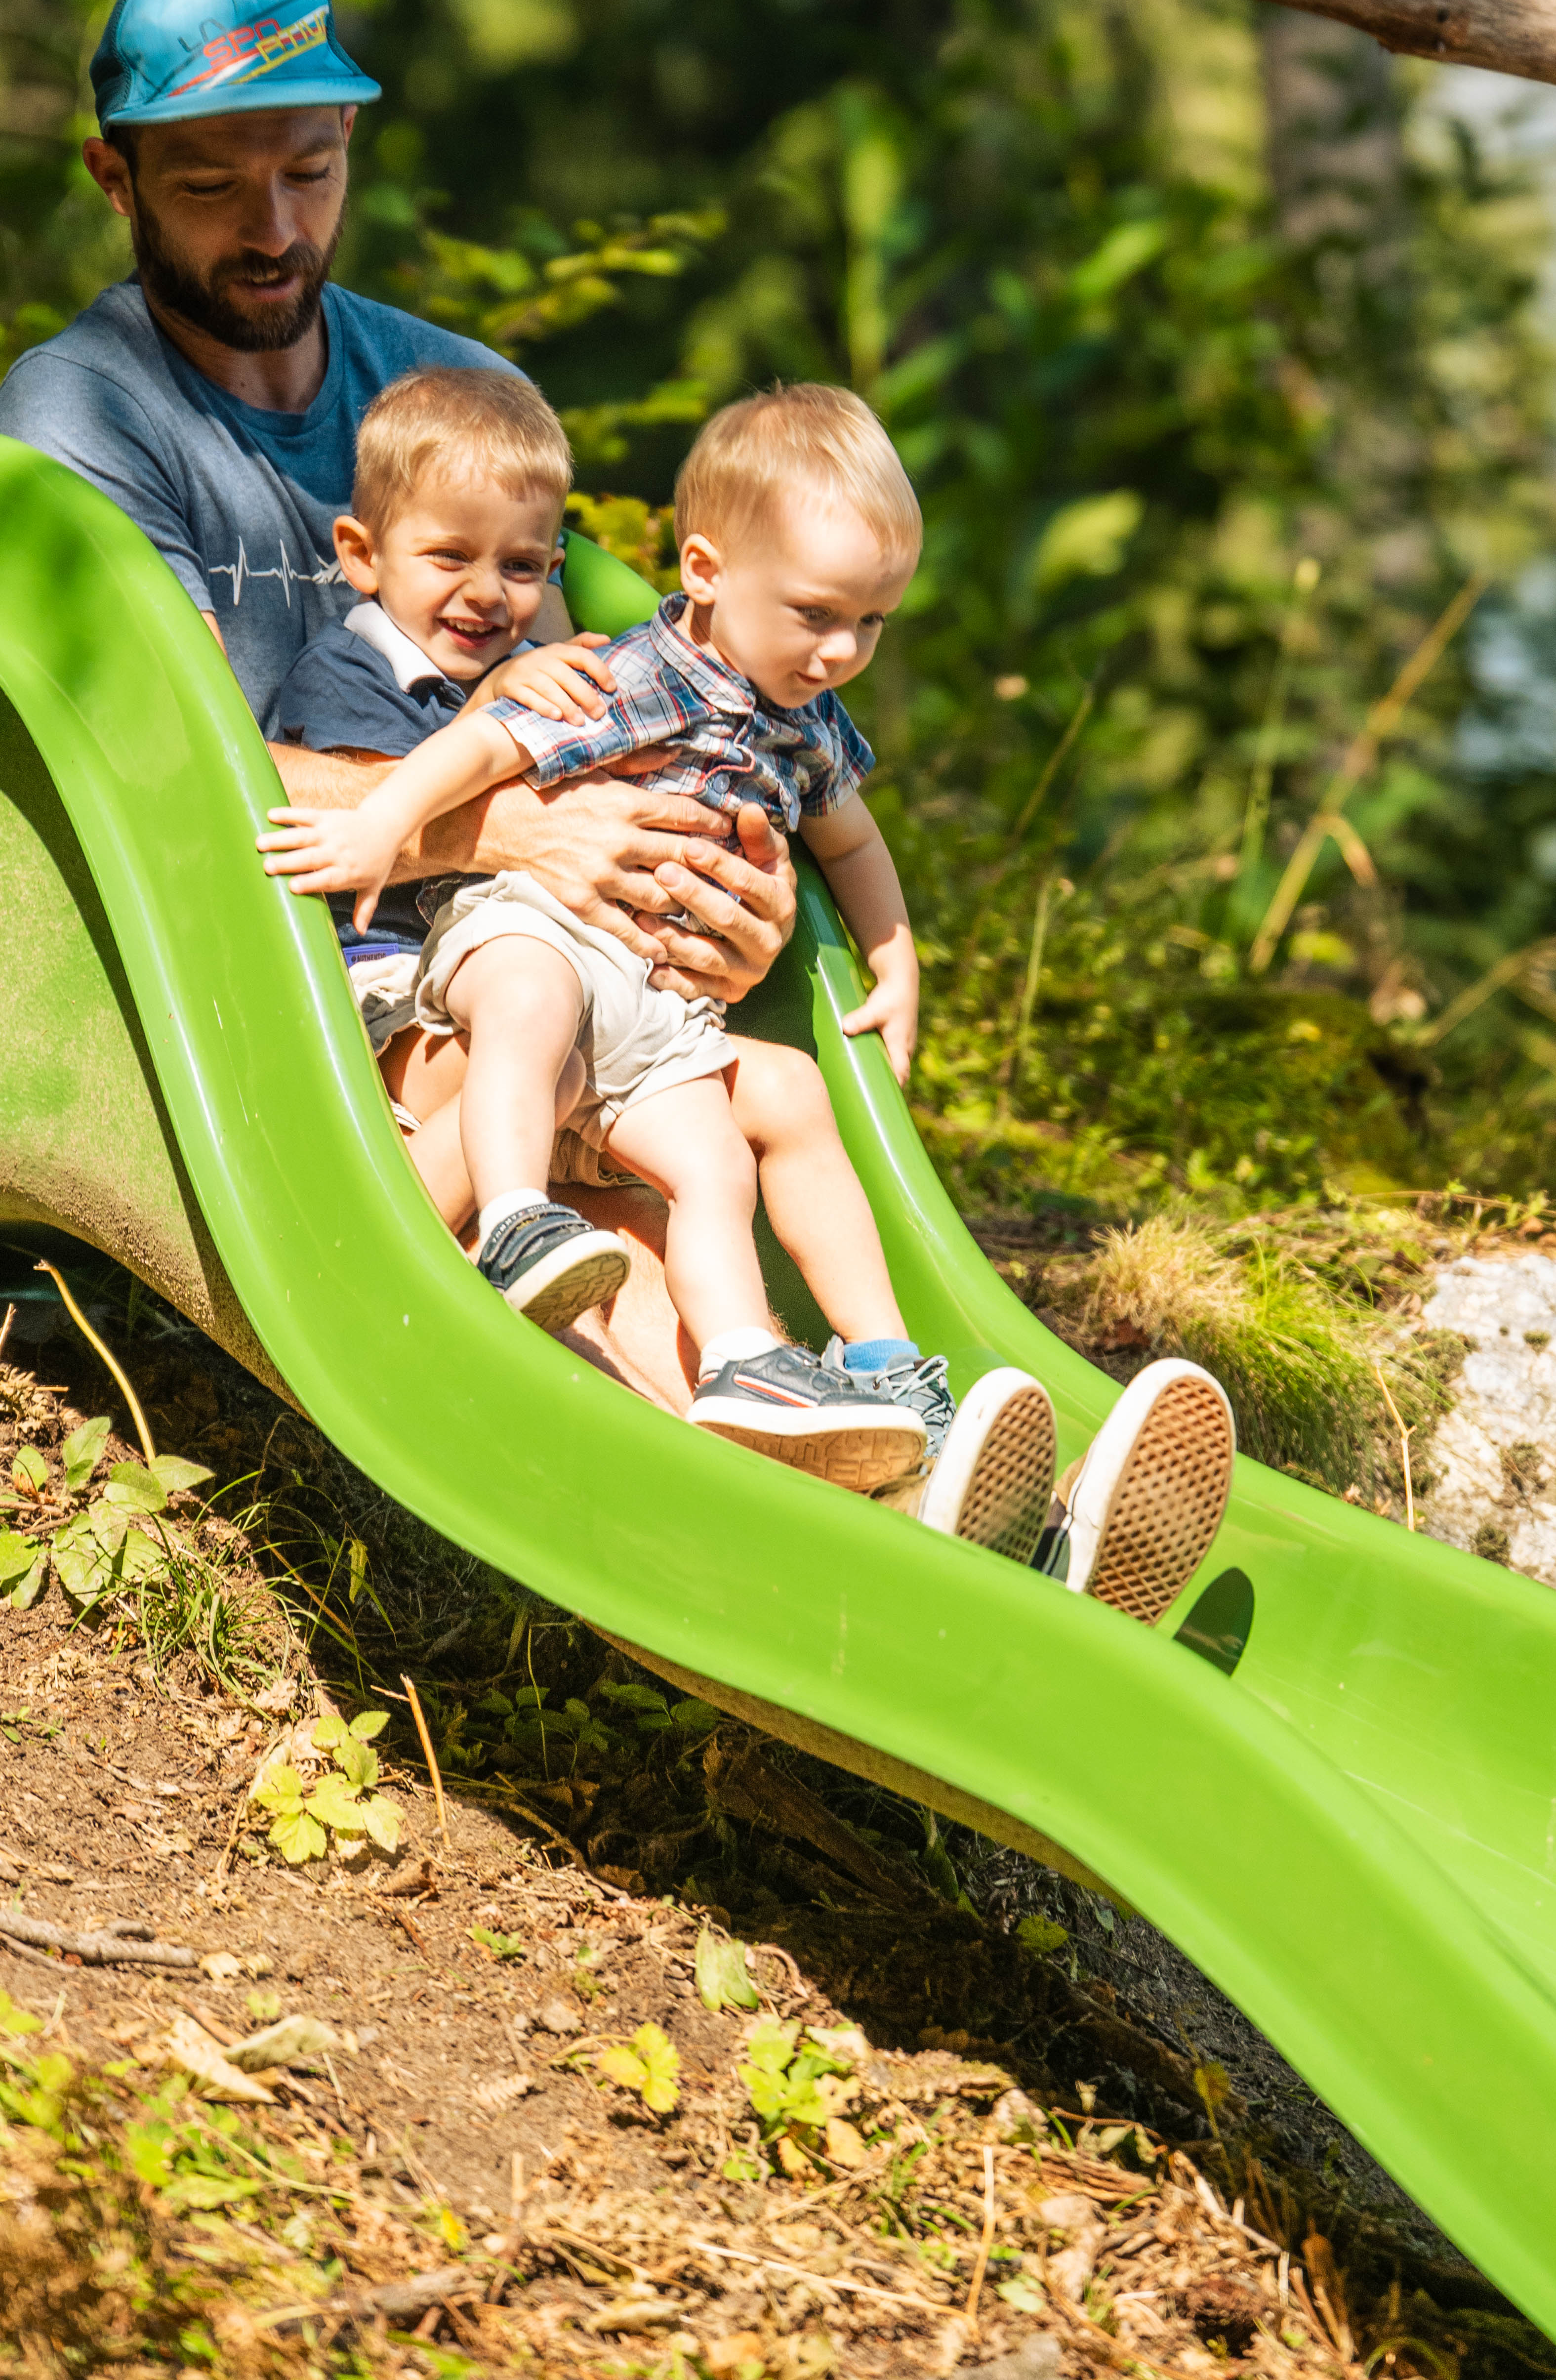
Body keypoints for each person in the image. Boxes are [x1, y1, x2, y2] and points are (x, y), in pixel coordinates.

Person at [0, 0, 1234, 1622]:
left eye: (311, 170)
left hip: (509, 956)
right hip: (272, 960)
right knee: (610, 1221)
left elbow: (574, 699)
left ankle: (966, 1501)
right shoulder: (82, 414)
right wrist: (507, 828)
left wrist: (725, 867)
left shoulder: (443, 391)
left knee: (702, 1147)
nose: (271, 225)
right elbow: (143, 758)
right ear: (115, 176)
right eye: (212, 183)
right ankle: (904, 1557)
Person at [256, 364, 1237, 1612]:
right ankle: (804, 1459)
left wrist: (872, 955)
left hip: (618, 1020)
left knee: (756, 1117)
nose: (494, 595)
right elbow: (392, 804)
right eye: (456, 558)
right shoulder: (444, 682)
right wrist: (403, 817)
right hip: (432, 1016)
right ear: (361, 553)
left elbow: (829, 842)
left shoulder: (624, 675)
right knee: (588, 1119)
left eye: (528, 567)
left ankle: (914, 1451)